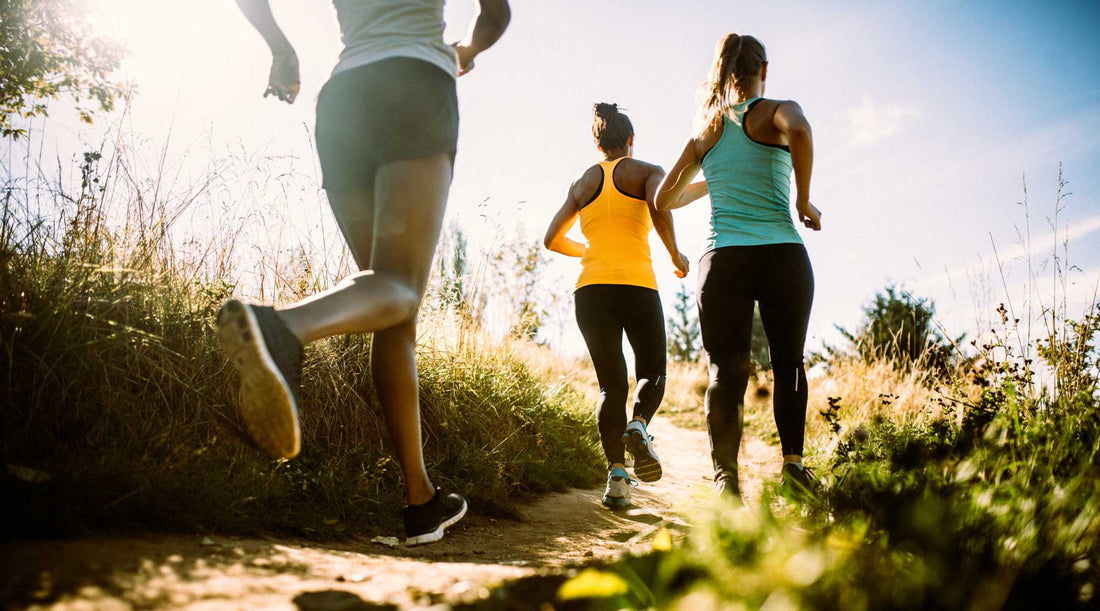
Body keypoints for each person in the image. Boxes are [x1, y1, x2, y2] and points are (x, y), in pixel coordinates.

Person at [223, 0, 510, 546]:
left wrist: (282, 50)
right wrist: (466, 51)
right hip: (415, 84)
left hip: (345, 99)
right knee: (399, 286)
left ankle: (420, 502)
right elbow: (495, 14)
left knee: (390, 303)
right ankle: (280, 328)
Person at [655, 33, 822, 502]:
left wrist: (713, 180)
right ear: (761, 71)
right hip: (781, 254)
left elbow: (663, 198)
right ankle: (793, 468)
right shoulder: (777, 111)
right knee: (788, 363)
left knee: (726, 373)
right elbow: (802, 133)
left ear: (726, 75)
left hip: (722, 259)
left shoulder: (706, 132)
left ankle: (726, 481)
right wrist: (803, 200)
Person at [544, 103, 696, 508]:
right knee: (652, 371)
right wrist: (676, 255)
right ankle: (640, 425)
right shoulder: (647, 172)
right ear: (631, 140)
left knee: (611, 386)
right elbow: (660, 208)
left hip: (590, 290)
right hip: (636, 285)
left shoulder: (581, 183)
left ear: (598, 144)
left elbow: (551, 239)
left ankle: (616, 478)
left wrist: (590, 251)